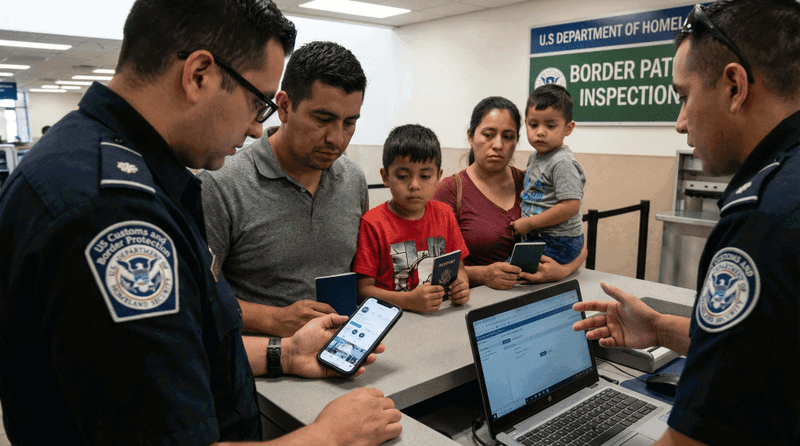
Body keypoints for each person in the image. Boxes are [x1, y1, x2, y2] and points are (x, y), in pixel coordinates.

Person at [0, 1, 402, 445]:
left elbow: (180, 350)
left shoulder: (91, 161)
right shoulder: (113, 213)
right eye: (257, 102)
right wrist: (328, 437)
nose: (255, 129)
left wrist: (285, 352)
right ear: (199, 76)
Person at [574, 1, 800, 445]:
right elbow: (761, 350)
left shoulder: (762, 218)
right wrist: (658, 328)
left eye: (683, 96)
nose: (680, 123)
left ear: (734, 86)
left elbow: (693, 439)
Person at [199, 41, 368, 337]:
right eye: (323, 119)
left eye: (349, 122)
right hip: (263, 365)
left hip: (342, 352)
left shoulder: (353, 180)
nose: (337, 139)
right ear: (285, 107)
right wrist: (273, 319)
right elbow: (198, 295)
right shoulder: (220, 184)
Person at [433, 96, 587, 290]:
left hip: (527, 297)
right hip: (472, 304)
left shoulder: (529, 184)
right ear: (471, 136)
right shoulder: (450, 192)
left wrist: (561, 271)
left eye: (508, 136)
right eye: (488, 135)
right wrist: (483, 274)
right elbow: (432, 266)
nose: (498, 145)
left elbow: (577, 243)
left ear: (516, 141)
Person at [354, 124, 470, 313]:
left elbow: (459, 269)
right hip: (393, 323)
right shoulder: (373, 223)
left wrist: (461, 285)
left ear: (438, 176)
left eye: (425, 175)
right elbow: (363, 291)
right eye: (402, 176)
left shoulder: (445, 214)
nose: (414, 185)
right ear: (385, 176)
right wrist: (408, 301)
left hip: (439, 317)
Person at [510, 84, 585, 265]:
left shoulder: (562, 162)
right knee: (510, 273)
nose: (540, 132)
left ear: (568, 128)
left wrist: (530, 223)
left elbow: (571, 206)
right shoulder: (535, 157)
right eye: (533, 124)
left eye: (551, 125)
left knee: (512, 272)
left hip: (559, 240)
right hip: (541, 236)